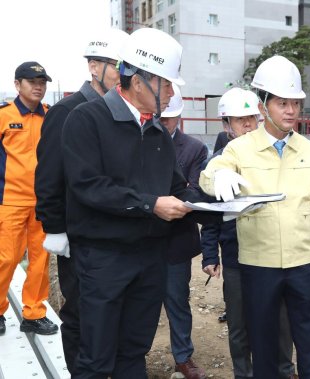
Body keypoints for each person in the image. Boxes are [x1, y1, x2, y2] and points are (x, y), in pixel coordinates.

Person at [60, 27, 219, 378]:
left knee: (134, 353)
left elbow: (178, 189)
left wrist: (221, 204)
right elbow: (90, 187)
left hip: (149, 260)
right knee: (97, 358)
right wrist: (151, 204)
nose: (171, 92)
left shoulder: (159, 133)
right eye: (165, 84)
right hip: (104, 261)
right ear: (138, 80)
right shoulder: (87, 120)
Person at [199, 55, 310, 379]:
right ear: (262, 105)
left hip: (304, 264)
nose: (291, 110)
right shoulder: (240, 149)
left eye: (296, 103)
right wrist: (217, 177)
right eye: (281, 103)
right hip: (258, 266)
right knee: (262, 347)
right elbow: (210, 174)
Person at [34, 27, 129, 374]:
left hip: (111, 237)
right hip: (77, 236)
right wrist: (55, 227)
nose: (125, 75)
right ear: (93, 66)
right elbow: (48, 177)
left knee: (111, 317)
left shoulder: (118, 112)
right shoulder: (68, 111)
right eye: (119, 66)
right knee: (79, 315)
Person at [201, 87, 297, 379]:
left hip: (274, 254)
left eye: (251, 118)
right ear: (225, 124)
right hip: (235, 258)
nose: (247, 125)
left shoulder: (274, 153)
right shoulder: (218, 164)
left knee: (281, 321)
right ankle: (243, 373)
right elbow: (210, 216)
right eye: (239, 120)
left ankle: (284, 370)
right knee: (239, 324)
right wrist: (210, 254)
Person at [0, 61, 57, 336]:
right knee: (7, 258)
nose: (38, 86)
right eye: (32, 81)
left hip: (43, 202)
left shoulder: (51, 116)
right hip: (9, 201)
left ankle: (34, 313)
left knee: (40, 259)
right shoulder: (4, 115)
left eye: (42, 82)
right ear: (17, 84)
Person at [160, 84, 209, 379]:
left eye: (169, 119)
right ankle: (132, 357)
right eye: (160, 118)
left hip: (176, 241)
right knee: (141, 303)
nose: (163, 124)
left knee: (177, 300)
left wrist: (164, 201)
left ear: (178, 117)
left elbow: (196, 192)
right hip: (139, 240)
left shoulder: (194, 149)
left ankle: (183, 356)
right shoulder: (138, 139)